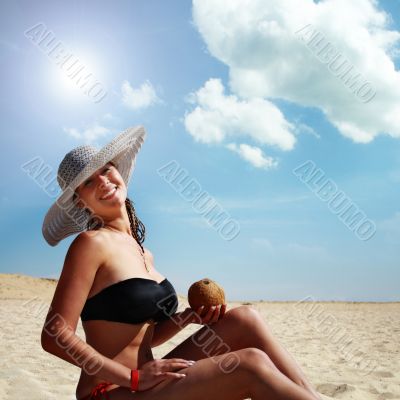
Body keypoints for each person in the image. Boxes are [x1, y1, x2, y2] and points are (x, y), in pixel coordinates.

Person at [41, 126, 321, 400]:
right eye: (88, 181)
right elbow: (54, 335)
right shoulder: (91, 243)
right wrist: (133, 378)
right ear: (80, 203)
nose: (102, 180)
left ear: (118, 171)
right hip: (112, 391)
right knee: (250, 364)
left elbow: (142, 338)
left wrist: (188, 318)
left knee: (245, 319)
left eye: (105, 169)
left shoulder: (143, 253)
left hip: (148, 382)